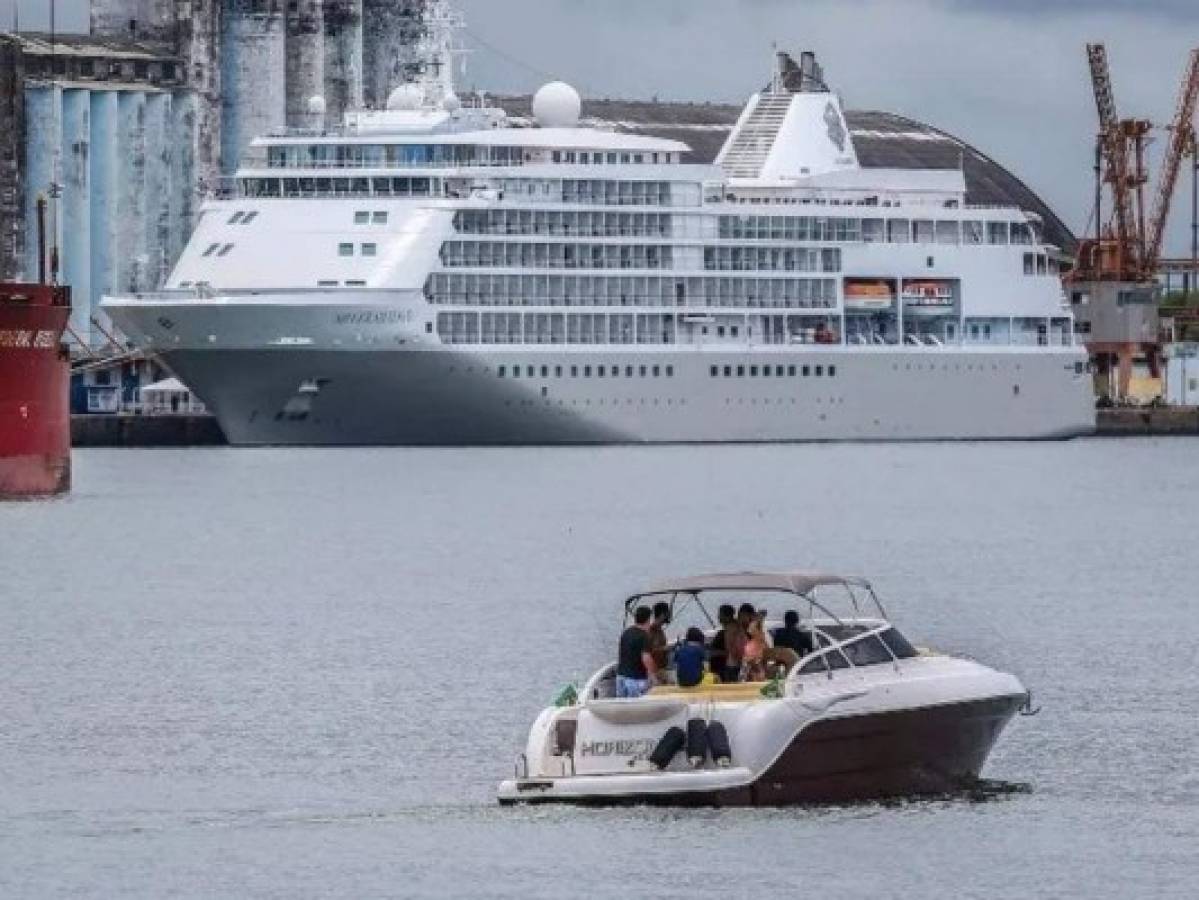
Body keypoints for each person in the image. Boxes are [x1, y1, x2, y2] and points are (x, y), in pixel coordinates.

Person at [617, 606, 657, 698]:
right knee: (635, 709)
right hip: (635, 680)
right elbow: (646, 658)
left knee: (622, 708)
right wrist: (654, 676)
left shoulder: (626, 633)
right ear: (648, 620)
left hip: (621, 677)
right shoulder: (644, 636)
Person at [742, 612, 770, 682]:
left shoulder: (763, 641)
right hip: (750, 672)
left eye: (752, 628)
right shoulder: (751, 642)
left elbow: (764, 657)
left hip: (758, 672)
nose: (749, 629)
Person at [648, 601, 671, 670]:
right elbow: (647, 651)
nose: (669, 616)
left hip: (662, 667)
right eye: (667, 613)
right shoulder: (651, 631)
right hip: (655, 669)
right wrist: (663, 649)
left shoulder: (660, 630)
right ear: (662, 615)